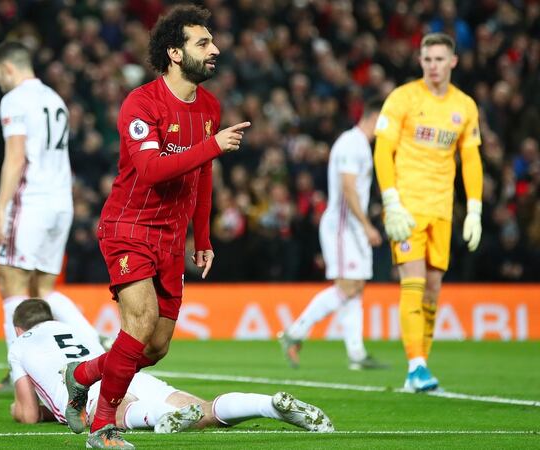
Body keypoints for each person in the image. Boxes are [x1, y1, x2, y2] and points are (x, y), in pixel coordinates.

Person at [62, 6, 251, 448]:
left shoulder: (208, 106)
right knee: (141, 320)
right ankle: (102, 427)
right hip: (128, 226)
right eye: (203, 43)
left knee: (155, 346)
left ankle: (83, 373)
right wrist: (212, 145)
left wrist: (201, 237)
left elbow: (202, 174)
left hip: (171, 237)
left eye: (212, 41)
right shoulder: (141, 103)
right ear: (173, 52)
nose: (214, 49)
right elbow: (148, 169)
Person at [10, 299, 334, 434]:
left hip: (89, 387)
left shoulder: (20, 344)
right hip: (129, 373)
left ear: (19, 329)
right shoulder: (78, 329)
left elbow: (26, 413)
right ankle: (268, 405)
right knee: (203, 411)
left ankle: (159, 418)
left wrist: (29, 410)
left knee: (121, 413)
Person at [0, 40, 103, 393]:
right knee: (45, 289)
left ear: (8, 68)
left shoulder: (15, 100)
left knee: (12, 283)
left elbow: (16, 156)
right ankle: (95, 346)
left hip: (31, 201)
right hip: (60, 201)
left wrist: (0, 207)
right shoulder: (54, 98)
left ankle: (17, 376)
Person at [373, 33, 483, 392]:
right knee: (414, 281)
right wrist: (391, 201)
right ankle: (417, 365)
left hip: (442, 210)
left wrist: (475, 209)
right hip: (406, 208)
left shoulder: (464, 106)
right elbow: (383, 151)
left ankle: (418, 369)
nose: (433, 66)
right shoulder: (403, 98)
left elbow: (470, 159)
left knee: (433, 291)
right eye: (427, 59)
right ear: (420, 61)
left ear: (453, 62)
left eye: (439, 59)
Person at [278, 100, 388, 371]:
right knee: (348, 286)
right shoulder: (353, 144)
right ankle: (295, 332)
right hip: (343, 225)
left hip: (350, 225)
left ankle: (357, 354)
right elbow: (348, 188)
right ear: (375, 117)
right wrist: (366, 225)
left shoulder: (357, 143)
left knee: (356, 287)